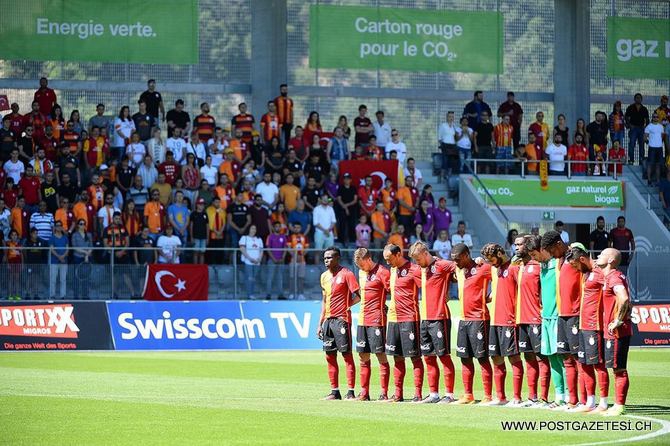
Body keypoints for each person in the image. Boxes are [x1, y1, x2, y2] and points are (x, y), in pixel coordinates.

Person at [409, 241, 458, 404]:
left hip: (440, 317)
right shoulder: (419, 270)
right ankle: (434, 394)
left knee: (443, 356)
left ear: (425, 253)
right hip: (425, 318)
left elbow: (459, 267)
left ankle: (449, 394)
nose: (417, 262)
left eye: (418, 259)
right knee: (428, 358)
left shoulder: (442, 265)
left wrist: (450, 288)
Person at [525, 234, 568, 409]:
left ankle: (570, 396)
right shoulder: (542, 265)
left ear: (543, 250)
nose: (533, 259)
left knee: (564, 358)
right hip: (546, 318)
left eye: (534, 255)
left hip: (559, 317)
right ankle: (559, 397)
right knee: (552, 358)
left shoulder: (559, 263)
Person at [566, 243, 610, 413]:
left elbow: (611, 289)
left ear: (582, 259)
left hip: (594, 325)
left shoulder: (599, 272)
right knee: (584, 363)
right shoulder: (587, 273)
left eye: (576, 264)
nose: (575, 268)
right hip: (583, 325)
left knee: (598, 364)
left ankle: (604, 402)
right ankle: (590, 402)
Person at [479, 243, 524, 406]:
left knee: (513, 357)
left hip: (510, 320)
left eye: (492, 259)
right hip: (495, 321)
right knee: (496, 357)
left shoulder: (514, 267)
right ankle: (500, 397)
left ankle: (517, 398)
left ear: (500, 253)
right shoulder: (495, 269)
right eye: (488, 261)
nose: (491, 263)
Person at [541, 230, 582, 410]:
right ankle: (571, 399)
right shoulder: (558, 260)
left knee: (578, 359)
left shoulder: (575, 251)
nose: (550, 255)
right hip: (562, 315)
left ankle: (585, 399)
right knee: (566, 358)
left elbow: (585, 260)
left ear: (559, 244)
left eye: (551, 250)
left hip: (576, 314)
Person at [449, 243, 494, 404]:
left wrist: (491, 295)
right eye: (453, 260)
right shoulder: (458, 270)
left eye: (457, 259)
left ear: (466, 255)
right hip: (463, 319)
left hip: (479, 319)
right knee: (464, 358)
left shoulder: (482, 268)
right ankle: (468, 394)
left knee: (482, 358)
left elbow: (499, 275)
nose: (455, 263)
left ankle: (488, 395)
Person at [382, 243, 424, 402]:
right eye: (385, 259)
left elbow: (427, 287)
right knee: (397, 357)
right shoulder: (392, 270)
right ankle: (398, 394)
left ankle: (418, 394)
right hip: (393, 319)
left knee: (414, 357)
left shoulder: (414, 269)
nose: (387, 262)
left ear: (398, 254)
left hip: (410, 318)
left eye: (389, 259)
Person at [512, 234, 551, 407]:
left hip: (536, 318)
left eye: (520, 244)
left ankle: (543, 398)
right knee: (528, 358)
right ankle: (532, 397)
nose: (516, 247)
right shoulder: (519, 266)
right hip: (522, 319)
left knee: (542, 359)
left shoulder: (539, 266)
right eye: (515, 244)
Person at [599, 248, 633, 416]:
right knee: (614, 367)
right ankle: (617, 404)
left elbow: (624, 297)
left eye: (602, 254)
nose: (598, 256)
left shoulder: (614, 277)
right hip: (611, 331)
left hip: (618, 331)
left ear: (611, 259)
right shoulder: (608, 277)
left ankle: (620, 405)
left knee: (619, 368)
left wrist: (618, 320)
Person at [71, 218, 93, 300]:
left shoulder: (89, 235)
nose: (82, 225)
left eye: (84, 224)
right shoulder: (74, 235)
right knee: (76, 277)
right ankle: (76, 295)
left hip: (87, 259)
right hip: (77, 257)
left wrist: (87, 255)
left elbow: (91, 246)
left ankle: (85, 295)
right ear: (77, 225)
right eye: (80, 224)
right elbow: (74, 247)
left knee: (86, 277)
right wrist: (85, 253)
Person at [624, 93, 649, 164]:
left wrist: (646, 128)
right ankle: (631, 160)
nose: (638, 99)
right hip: (633, 128)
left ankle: (641, 160)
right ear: (634, 99)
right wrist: (629, 125)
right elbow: (626, 117)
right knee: (631, 144)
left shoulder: (644, 109)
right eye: (637, 98)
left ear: (641, 99)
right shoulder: (630, 107)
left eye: (639, 98)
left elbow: (647, 119)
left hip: (641, 128)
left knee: (642, 145)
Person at [239, 225, 263, 299]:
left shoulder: (259, 239)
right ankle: (249, 294)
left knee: (254, 277)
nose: (254, 230)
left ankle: (252, 293)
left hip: (257, 262)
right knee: (249, 277)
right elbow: (242, 249)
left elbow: (261, 250)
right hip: (248, 262)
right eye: (252, 228)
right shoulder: (244, 238)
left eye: (255, 228)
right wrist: (250, 258)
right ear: (249, 229)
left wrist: (259, 259)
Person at [265, 221, 288, 300]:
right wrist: (273, 258)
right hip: (272, 260)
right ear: (273, 227)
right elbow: (268, 249)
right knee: (270, 277)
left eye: (279, 226)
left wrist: (283, 258)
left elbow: (285, 248)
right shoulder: (270, 236)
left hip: (281, 260)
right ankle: (268, 294)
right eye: (276, 226)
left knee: (280, 277)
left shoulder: (283, 236)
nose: (278, 228)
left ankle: (280, 295)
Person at [287, 222, 308, 300]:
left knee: (301, 278)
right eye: (295, 227)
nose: (297, 229)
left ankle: (301, 293)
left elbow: (307, 248)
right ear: (293, 228)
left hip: (302, 260)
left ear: (301, 228)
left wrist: (301, 256)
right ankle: (291, 293)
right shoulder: (290, 237)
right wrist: (295, 256)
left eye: (298, 227)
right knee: (292, 277)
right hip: (293, 260)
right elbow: (288, 248)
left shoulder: (304, 237)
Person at [49, 220, 68, 299]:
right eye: (57, 225)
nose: (59, 227)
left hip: (64, 261)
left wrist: (63, 256)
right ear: (55, 227)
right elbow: (51, 249)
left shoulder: (65, 238)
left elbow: (67, 249)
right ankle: (52, 295)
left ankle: (62, 295)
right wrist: (59, 257)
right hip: (54, 261)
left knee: (63, 279)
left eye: (60, 225)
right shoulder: (52, 238)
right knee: (53, 279)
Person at [644, 113, 665, 185]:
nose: (655, 118)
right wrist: (649, 142)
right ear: (652, 118)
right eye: (654, 117)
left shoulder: (661, 126)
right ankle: (649, 180)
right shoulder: (649, 126)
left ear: (658, 118)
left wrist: (658, 143)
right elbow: (645, 137)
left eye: (657, 117)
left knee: (658, 164)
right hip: (652, 147)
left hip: (659, 148)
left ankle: (658, 180)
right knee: (650, 164)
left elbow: (662, 137)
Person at [438, 111, 459, 177]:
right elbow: (439, 137)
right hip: (445, 144)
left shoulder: (455, 126)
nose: (451, 118)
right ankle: (442, 176)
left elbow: (456, 138)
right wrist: (442, 145)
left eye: (452, 117)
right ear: (447, 117)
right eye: (449, 116)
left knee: (451, 161)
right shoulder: (443, 125)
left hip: (452, 145)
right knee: (445, 161)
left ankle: (449, 176)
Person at [274, 84, 294, 148]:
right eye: (283, 89)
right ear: (280, 90)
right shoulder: (276, 100)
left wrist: (292, 122)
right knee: (278, 137)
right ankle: (278, 150)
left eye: (285, 89)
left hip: (288, 122)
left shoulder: (290, 100)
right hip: (279, 122)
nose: (284, 91)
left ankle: (286, 152)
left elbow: (291, 112)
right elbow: (274, 111)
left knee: (287, 139)